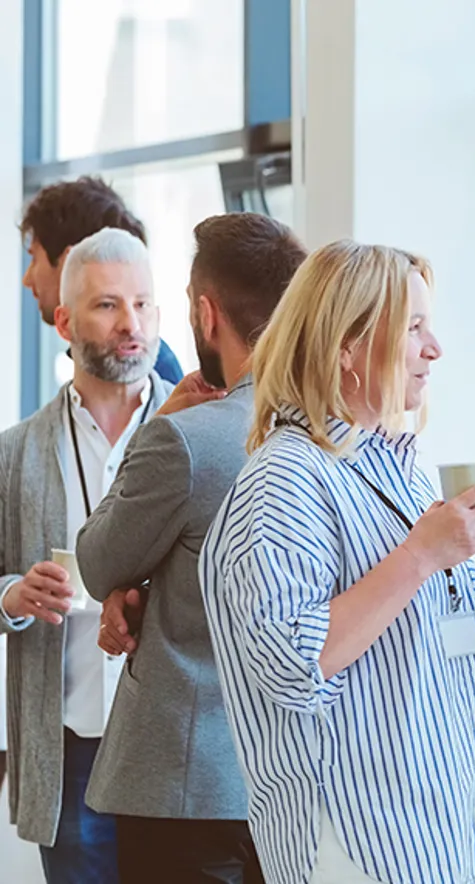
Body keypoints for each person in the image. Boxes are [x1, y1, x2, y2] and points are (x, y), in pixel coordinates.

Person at [200, 240, 475, 884]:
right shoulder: (285, 480)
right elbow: (294, 664)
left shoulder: (397, 468)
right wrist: (420, 555)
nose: (434, 349)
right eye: (413, 327)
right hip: (362, 842)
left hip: (441, 832)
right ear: (345, 348)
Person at [74, 213, 307, 884]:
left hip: (185, 786)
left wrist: (158, 427)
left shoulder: (187, 439)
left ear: (206, 314)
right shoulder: (332, 434)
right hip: (296, 781)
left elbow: (98, 562)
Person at [0, 228, 170, 883]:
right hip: (70, 752)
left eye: (143, 303)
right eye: (107, 305)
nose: (131, 323)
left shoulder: (197, 433)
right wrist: (13, 594)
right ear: (65, 322)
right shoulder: (16, 453)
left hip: (174, 748)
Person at [20, 175, 184, 384]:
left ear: (70, 261)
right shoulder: (98, 363)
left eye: (34, 258)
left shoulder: (144, 373)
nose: (27, 279)